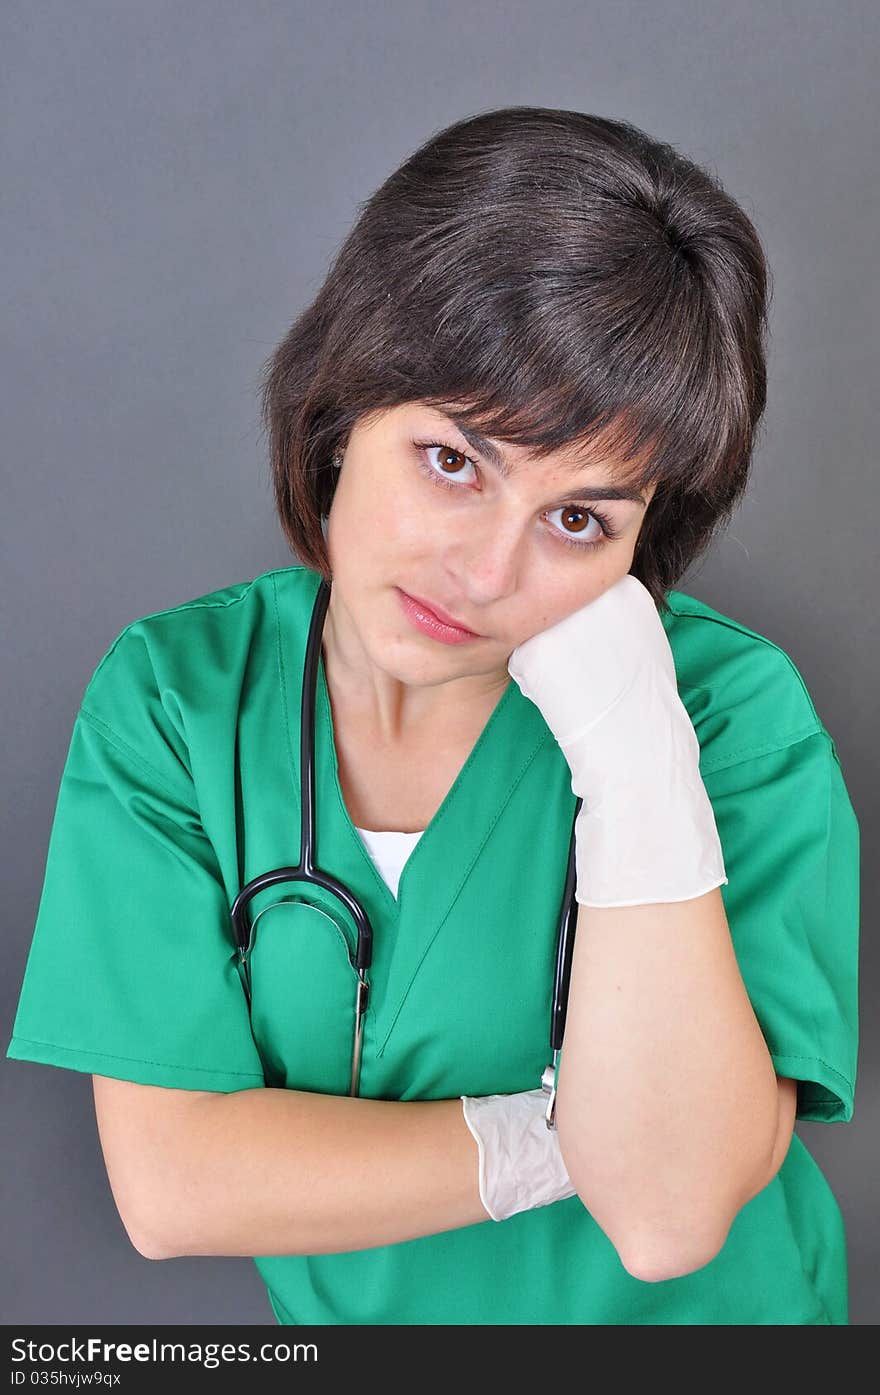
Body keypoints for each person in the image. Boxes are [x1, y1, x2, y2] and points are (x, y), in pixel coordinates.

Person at [7, 106, 859, 1325]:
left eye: (581, 520)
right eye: (454, 460)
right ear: (342, 404)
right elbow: (175, 1187)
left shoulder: (727, 715)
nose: (487, 570)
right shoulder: (178, 699)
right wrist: (574, 1137)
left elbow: (671, 1219)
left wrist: (636, 762)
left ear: (642, 547)